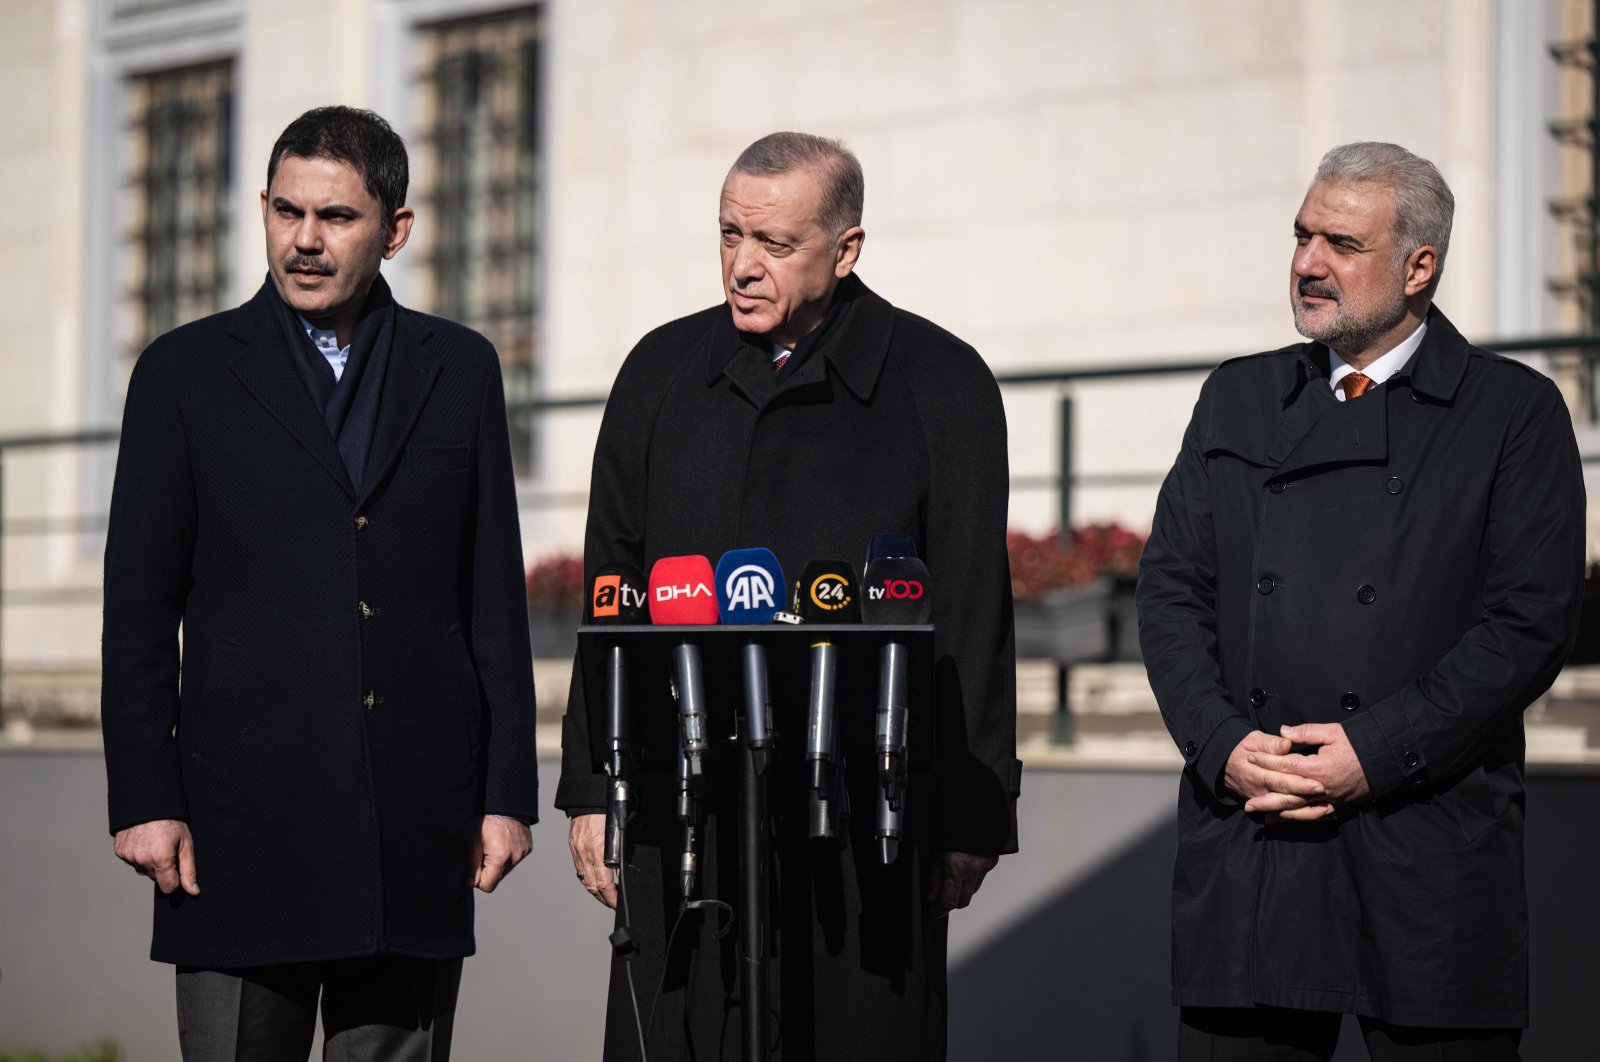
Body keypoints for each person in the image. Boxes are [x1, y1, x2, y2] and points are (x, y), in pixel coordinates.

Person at [555, 131, 1020, 1061]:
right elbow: (611, 583)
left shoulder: (940, 381)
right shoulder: (659, 370)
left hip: (867, 817)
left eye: (775, 244)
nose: (743, 265)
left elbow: (972, 604)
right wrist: (590, 785)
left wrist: (970, 817)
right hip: (677, 798)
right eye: (729, 235)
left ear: (846, 250)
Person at [101, 105, 539, 1060]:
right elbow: (137, 606)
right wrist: (144, 794)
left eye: (336, 218)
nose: (304, 240)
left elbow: (491, 597)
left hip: (412, 815)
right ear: (261, 207)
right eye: (286, 211)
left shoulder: (459, 369)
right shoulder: (183, 373)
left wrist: (506, 790)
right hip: (234, 823)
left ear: (396, 230)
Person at [1138, 141, 1585, 1061]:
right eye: (1302, 235)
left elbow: (1527, 623)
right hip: (1253, 831)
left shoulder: (1511, 412)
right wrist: (1223, 748)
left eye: (1341, 242)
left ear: (1419, 267)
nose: (1307, 262)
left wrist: (1375, 752)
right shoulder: (1238, 396)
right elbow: (1172, 591)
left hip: (1423, 838)